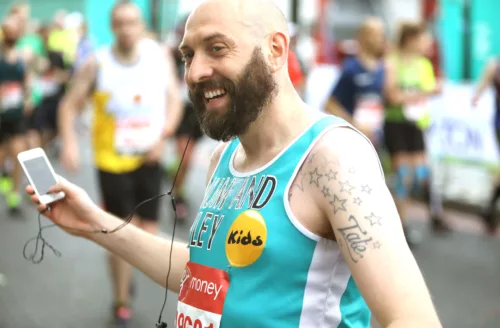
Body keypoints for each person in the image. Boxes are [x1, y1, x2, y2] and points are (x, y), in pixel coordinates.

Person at [30, 1, 442, 327]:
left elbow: (411, 319)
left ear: (275, 50)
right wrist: (94, 223)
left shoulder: (332, 157)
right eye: (188, 55)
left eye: (217, 48)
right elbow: (201, 273)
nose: (195, 72)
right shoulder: (223, 158)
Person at [57, 1, 182, 325]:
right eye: (120, 23)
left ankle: (132, 270)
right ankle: (121, 298)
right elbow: (69, 106)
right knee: (118, 231)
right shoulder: (97, 64)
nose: (127, 29)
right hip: (111, 160)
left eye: (132, 22)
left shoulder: (157, 57)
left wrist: (164, 137)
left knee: (149, 230)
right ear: (112, 28)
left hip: (149, 156)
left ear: (140, 25)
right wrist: (70, 142)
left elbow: (173, 100)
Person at [383, 22, 448, 247]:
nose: (426, 44)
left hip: (416, 124)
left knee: (419, 174)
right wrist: (422, 92)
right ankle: (400, 225)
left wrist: (422, 93)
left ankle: (389, 203)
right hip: (396, 122)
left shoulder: (424, 64)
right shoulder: (393, 62)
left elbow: (431, 91)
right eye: (422, 39)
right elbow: (392, 96)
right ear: (410, 39)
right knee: (404, 175)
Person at [324, 17, 386, 146]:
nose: (380, 39)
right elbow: (330, 105)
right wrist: (353, 124)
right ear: (362, 37)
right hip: (354, 138)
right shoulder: (351, 68)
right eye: (375, 34)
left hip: (376, 136)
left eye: (381, 34)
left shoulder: (383, 68)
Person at [167, 16, 203, 220]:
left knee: (186, 159)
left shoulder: (202, 52)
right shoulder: (172, 53)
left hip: (196, 110)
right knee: (184, 156)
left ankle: (176, 181)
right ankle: (178, 197)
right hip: (178, 109)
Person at [0, 15, 31, 215]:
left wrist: (27, 98)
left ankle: (14, 197)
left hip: (16, 113)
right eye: (8, 30)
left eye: (15, 30)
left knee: (19, 153)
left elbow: (26, 82)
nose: (12, 34)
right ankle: (3, 174)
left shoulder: (21, 57)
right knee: (2, 155)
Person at [472, 57, 500, 235]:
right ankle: (489, 208)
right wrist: (476, 97)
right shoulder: (494, 64)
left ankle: (488, 208)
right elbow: (478, 91)